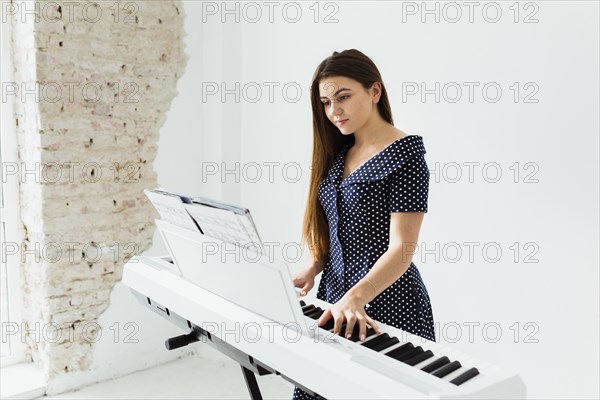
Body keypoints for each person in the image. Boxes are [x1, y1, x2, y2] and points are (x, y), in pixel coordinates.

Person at [291, 49, 435, 400]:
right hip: (334, 298)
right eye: (326, 102)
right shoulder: (339, 152)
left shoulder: (407, 157)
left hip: (387, 303)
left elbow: (403, 248)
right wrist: (313, 265)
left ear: (375, 92)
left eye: (343, 97)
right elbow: (337, 226)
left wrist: (357, 297)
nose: (334, 111)